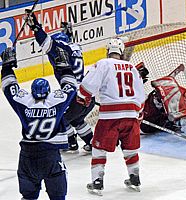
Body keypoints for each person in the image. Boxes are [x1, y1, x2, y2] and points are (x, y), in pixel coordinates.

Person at [1, 47, 77, 200]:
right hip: (50, 156)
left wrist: (7, 66)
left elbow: (9, 87)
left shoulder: (24, 102)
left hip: (27, 157)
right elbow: (71, 87)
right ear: (48, 92)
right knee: (58, 196)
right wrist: (65, 68)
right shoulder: (56, 102)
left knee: (28, 197)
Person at [77, 38, 145, 195]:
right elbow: (141, 96)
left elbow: (87, 86)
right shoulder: (132, 68)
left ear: (108, 51)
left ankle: (97, 182)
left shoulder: (103, 63)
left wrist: (83, 96)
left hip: (110, 117)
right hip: (131, 115)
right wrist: (138, 113)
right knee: (130, 149)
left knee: (99, 149)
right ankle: (135, 178)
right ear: (121, 52)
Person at [25, 10, 95, 152]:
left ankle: (71, 142)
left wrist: (35, 27)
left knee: (59, 118)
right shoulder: (75, 47)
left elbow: (45, 41)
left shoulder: (59, 49)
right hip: (88, 95)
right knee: (76, 120)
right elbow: (66, 43)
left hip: (75, 97)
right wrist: (68, 32)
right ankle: (92, 142)